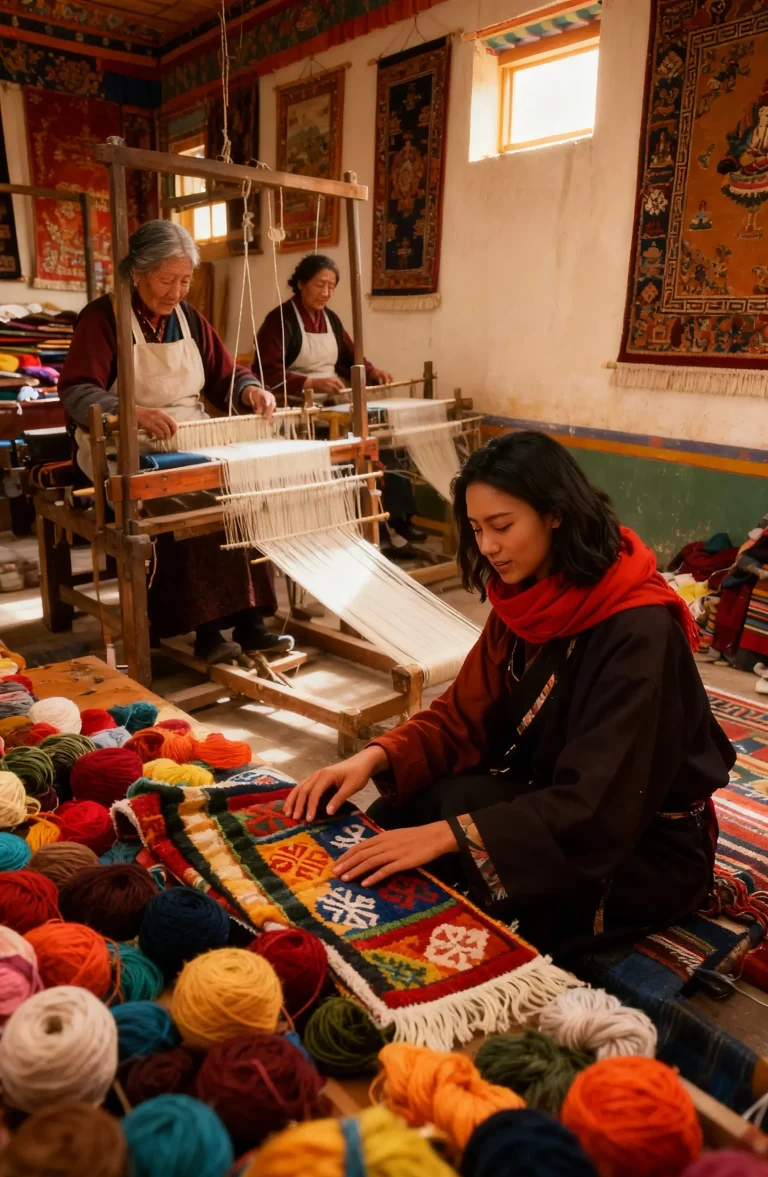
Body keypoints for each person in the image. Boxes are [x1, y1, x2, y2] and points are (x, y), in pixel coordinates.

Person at [284, 432, 735, 959]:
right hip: (556, 803)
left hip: (635, 848)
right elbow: (462, 716)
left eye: (502, 526)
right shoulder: (526, 602)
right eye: (476, 530)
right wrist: (372, 756)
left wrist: (447, 837)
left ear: (556, 514)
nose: (488, 547)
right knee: (416, 808)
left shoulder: (639, 633)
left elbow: (598, 806)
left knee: (456, 866)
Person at [59, 219, 291, 665]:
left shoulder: (190, 320)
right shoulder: (102, 317)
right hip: (120, 443)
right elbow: (76, 389)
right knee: (183, 503)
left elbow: (227, 375)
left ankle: (250, 622)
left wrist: (250, 390)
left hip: (188, 436)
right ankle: (206, 630)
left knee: (242, 491)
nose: (176, 291)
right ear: (136, 273)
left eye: (184, 280)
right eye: (166, 279)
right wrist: (129, 412)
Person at [255, 254, 426, 552]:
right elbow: (264, 372)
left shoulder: (331, 320)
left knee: (383, 442)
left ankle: (398, 519)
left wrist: (371, 371)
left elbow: (351, 358)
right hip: (296, 412)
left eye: (331, 286)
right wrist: (310, 383)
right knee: (352, 454)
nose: (326, 293)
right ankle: (366, 527)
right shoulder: (279, 321)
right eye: (320, 284)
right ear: (300, 284)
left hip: (331, 406)